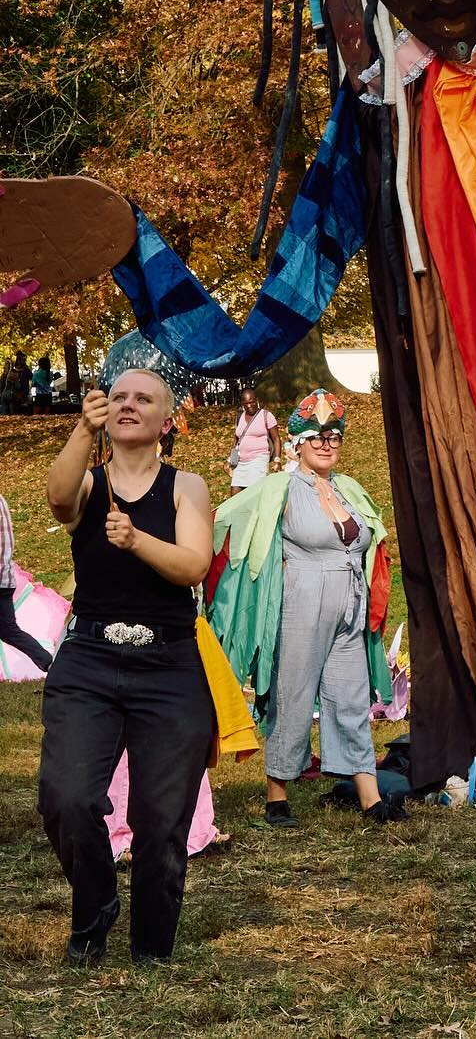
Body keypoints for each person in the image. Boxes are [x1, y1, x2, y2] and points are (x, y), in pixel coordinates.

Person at [37, 371, 215, 965]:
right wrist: (80, 435)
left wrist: (137, 540)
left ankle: (150, 948)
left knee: (162, 818)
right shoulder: (90, 483)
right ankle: (94, 907)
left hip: (167, 662)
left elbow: (193, 564)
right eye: (118, 397)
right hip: (89, 656)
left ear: (167, 420)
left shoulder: (187, 486)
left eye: (144, 399)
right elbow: (59, 499)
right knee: (66, 797)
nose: (128, 405)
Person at [207, 388, 398, 828]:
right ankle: (277, 794)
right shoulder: (278, 489)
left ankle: (370, 798)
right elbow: (223, 521)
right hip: (300, 601)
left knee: (351, 697)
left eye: (334, 436)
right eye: (316, 436)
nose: (327, 444)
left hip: (350, 604)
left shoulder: (349, 489)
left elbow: (371, 538)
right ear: (297, 443)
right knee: (292, 693)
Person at [0, 489, 54, 672]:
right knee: (9, 631)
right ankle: (48, 662)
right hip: (5, 578)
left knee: (9, 630)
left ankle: (49, 663)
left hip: (1, 579)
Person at [229, 385, 280, 490]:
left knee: (253, 493)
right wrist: (229, 460)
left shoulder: (266, 415)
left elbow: (276, 439)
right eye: (246, 403)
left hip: (259, 459)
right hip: (241, 461)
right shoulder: (240, 417)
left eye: (251, 402)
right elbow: (237, 440)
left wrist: (277, 460)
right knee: (235, 495)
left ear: (256, 400)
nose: (249, 405)